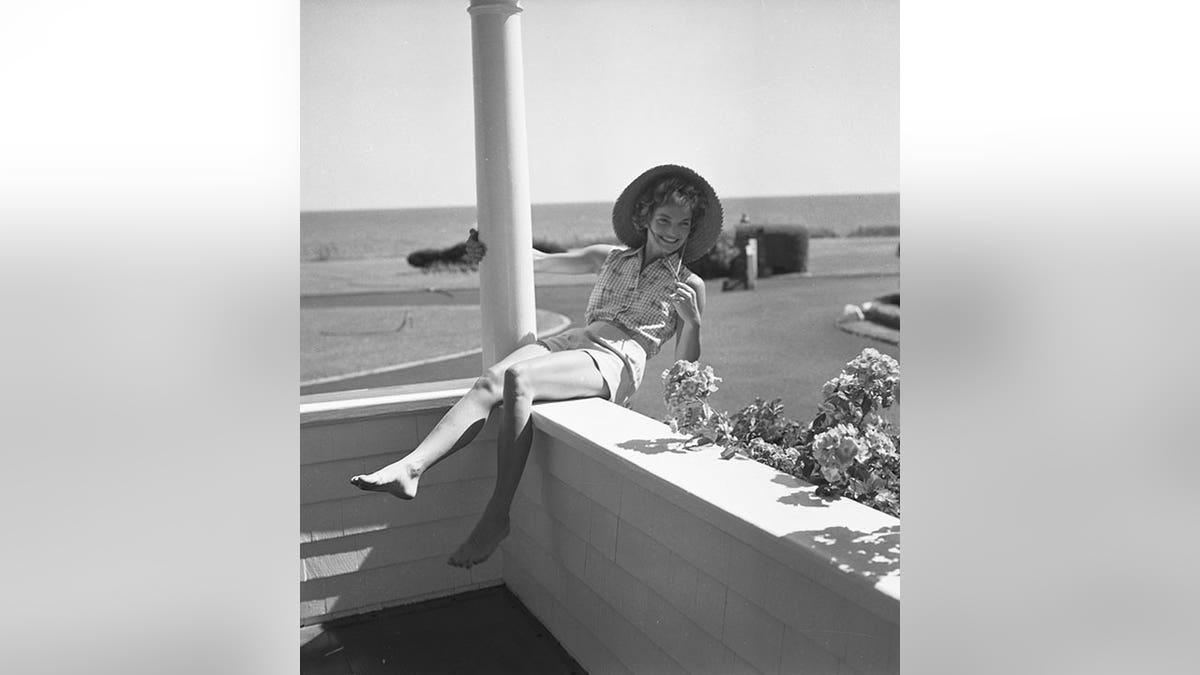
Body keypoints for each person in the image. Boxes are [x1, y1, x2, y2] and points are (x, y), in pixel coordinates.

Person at [349, 164, 724, 568]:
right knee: (491, 381)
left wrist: (693, 322)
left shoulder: (691, 283)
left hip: (617, 359)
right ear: (646, 216)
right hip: (577, 341)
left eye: (683, 225)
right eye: (664, 219)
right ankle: (411, 468)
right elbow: (536, 261)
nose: (672, 231)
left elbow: (686, 365)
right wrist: (480, 245)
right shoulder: (610, 258)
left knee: (519, 378)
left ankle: (497, 514)